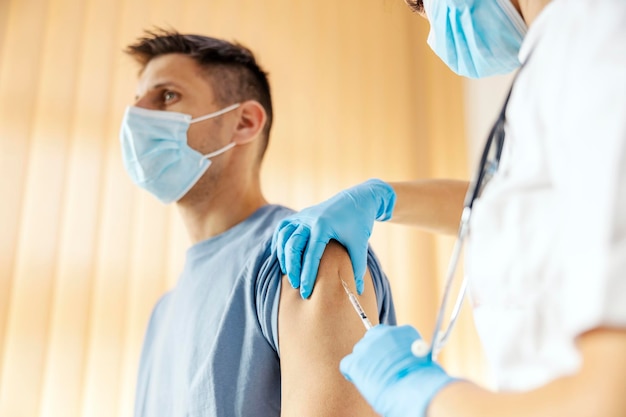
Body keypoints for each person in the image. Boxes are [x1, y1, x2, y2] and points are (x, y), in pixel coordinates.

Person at [272, 0, 626, 416]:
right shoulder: (554, 55)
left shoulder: (594, 38)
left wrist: (433, 399)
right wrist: (383, 198)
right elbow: (518, 210)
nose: (432, 29)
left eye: (423, 3)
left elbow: (606, 398)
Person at [120, 29, 397, 417]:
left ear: (245, 122)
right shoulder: (163, 315)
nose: (137, 117)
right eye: (136, 101)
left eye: (167, 97)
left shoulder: (307, 254)